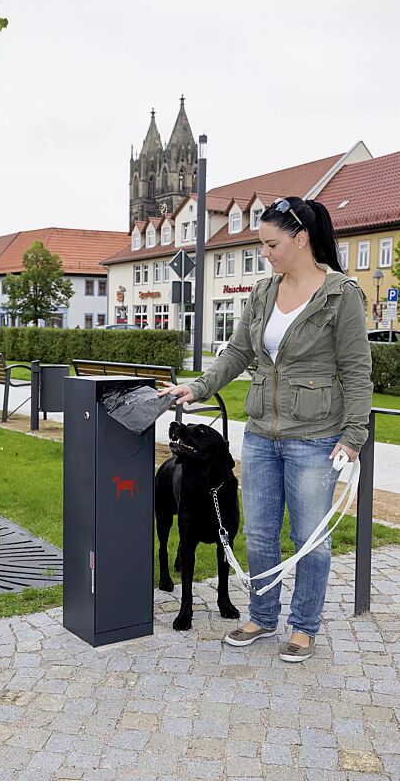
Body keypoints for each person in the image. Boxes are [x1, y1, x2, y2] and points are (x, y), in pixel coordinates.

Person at [160, 197, 372, 662]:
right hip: (260, 435)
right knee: (258, 534)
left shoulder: (341, 295)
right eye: (262, 245)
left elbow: (357, 371)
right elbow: (236, 353)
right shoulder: (262, 292)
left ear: (301, 239)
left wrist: (354, 435)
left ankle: (303, 626)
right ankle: (262, 615)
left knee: (309, 539)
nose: (265, 254)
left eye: (271, 244)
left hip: (316, 436)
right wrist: (197, 388)